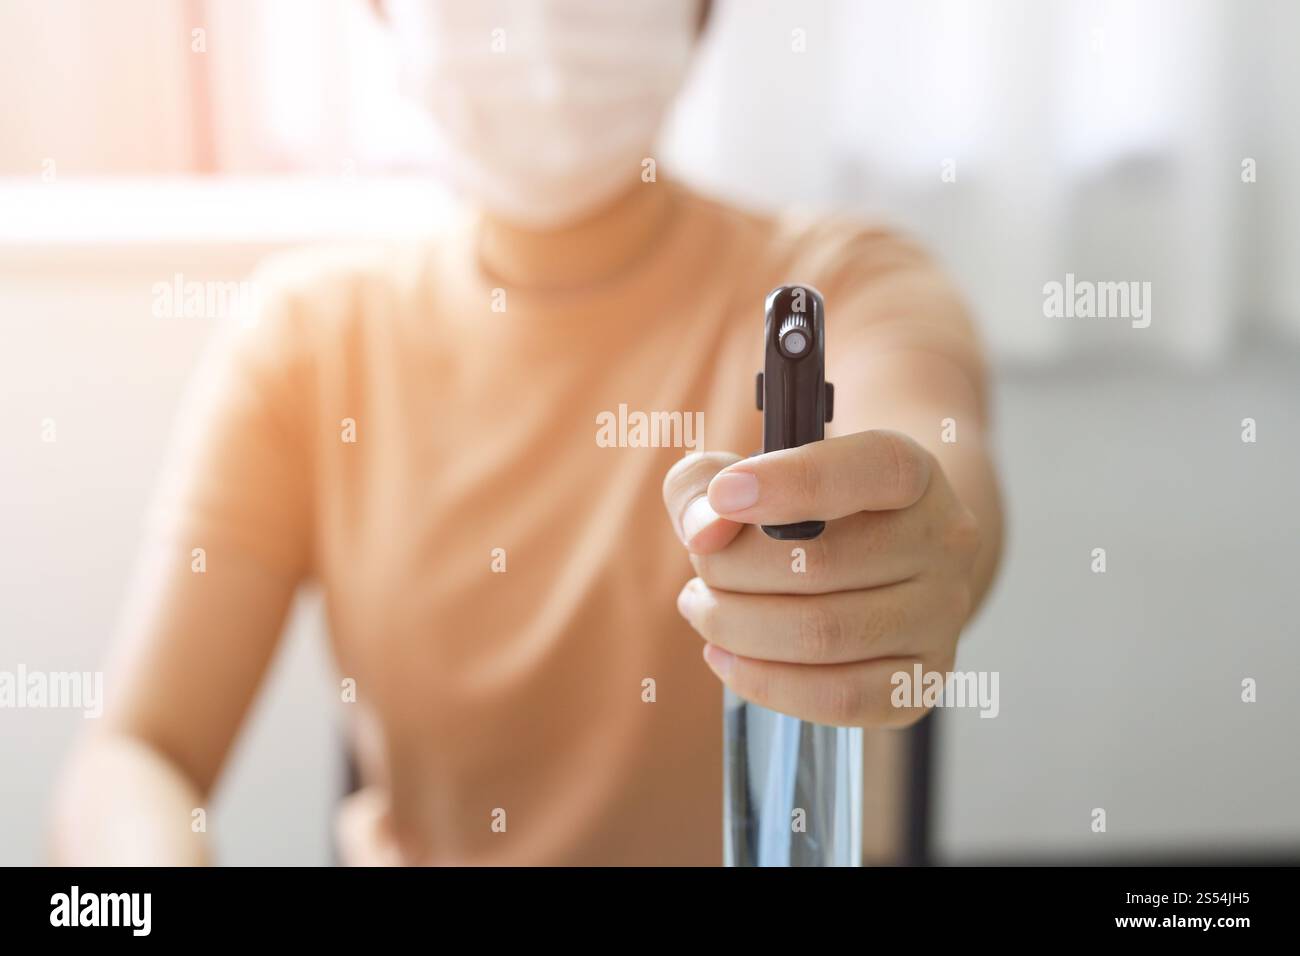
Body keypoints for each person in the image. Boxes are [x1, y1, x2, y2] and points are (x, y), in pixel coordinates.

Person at [52, 0, 1002, 866]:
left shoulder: (845, 282)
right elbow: (139, 751)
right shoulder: (308, 337)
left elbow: (938, 493)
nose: (538, 28)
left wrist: (913, 556)